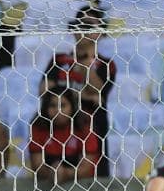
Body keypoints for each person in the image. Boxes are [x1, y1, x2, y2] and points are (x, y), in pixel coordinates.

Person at [43, 12, 115, 171]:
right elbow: (44, 91)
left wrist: (83, 62)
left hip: (92, 127)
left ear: (101, 32)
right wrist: (84, 95)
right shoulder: (59, 59)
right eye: (80, 25)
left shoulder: (106, 64)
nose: (83, 30)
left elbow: (97, 91)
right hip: (60, 128)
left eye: (89, 26)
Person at [27, 88, 101, 183]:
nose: (58, 111)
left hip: (82, 183)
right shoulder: (38, 126)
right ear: (45, 108)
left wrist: (65, 173)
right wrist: (53, 173)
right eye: (52, 106)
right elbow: (37, 166)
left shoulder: (84, 126)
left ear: (73, 107)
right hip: (47, 182)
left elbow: (87, 169)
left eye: (63, 105)